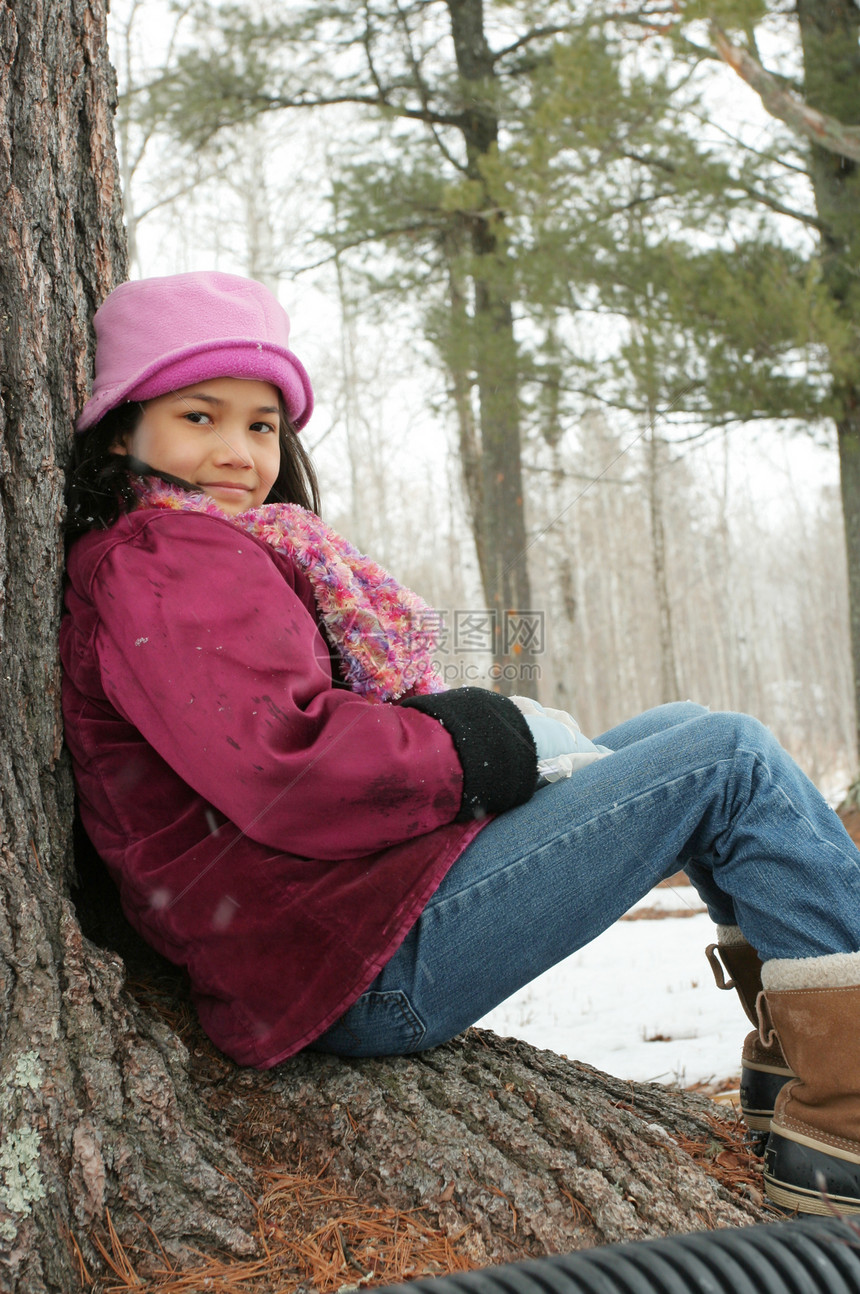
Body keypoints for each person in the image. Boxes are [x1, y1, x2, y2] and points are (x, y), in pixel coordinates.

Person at [62, 270, 860, 1216]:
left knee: (686, 735)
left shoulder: (208, 547)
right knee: (728, 760)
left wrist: (476, 741)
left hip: (337, 925)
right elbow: (286, 763)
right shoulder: (166, 562)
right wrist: (467, 747)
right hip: (348, 960)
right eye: (201, 417)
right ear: (122, 426)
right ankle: (847, 1119)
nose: (236, 451)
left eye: (261, 425)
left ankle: (802, 1087)